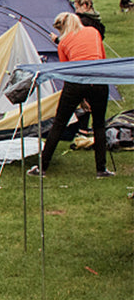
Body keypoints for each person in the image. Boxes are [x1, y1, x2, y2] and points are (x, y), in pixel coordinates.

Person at [28, 13, 114, 179]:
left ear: (63, 27)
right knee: (99, 125)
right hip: (99, 79)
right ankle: (101, 169)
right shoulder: (93, 32)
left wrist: (80, 100)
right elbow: (101, 58)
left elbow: (67, 71)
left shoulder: (63, 43)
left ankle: (42, 167)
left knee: (59, 124)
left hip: (75, 83)